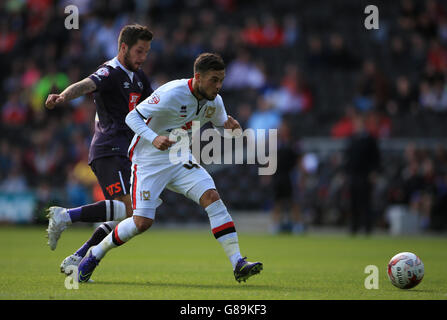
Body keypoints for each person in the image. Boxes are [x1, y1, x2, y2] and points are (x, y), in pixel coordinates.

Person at [77, 53, 263, 283]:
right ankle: (94, 255)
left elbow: (222, 124)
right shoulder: (172, 92)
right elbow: (132, 118)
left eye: (221, 80)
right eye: (214, 80)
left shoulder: (215, 101)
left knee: (212, 198)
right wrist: (154, 138)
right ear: (198, 77)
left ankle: (238, 262)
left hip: (179, 157)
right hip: (149, 161)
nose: (218, 86)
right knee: (141, 223)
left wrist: (232, 129)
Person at [44, 24, 154, 275]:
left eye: (146, 52)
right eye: (139, 51)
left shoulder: (140, 77)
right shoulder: (110, 71)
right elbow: (85, 84)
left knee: (126, 217)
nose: (143, 57)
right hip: (108, 149)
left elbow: (156, 105)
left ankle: (78, 258)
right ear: (123, 47)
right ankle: (65, 216)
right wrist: (62, 96)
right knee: (131, 211)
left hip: (127, 153)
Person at [344, 113, 381, 235]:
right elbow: (348, 158)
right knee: (353, 202)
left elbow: (376, 158)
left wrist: (374, 172)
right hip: (353, 175)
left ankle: (367, 228)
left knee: (366, 202)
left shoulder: (370, 139)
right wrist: (345, 172)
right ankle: (354, 227)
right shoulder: (352, 138)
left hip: (365, 175)